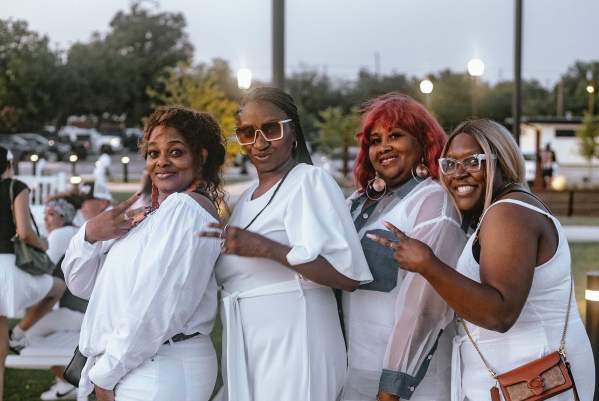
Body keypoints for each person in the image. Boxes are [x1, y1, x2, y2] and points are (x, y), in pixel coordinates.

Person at [368, 119, 595, 401]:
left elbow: (498, 313)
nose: (458, 174)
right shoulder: (504, 210)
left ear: (503, 161)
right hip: (524, 378)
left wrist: (427, 264)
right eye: (449, 164)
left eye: (473, 162)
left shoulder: (508, 214)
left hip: (533, 382)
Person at [198, 87, 373, 401]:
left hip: (297, 341)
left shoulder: (309, 181)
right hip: (250, 343)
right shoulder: (244, 198)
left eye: (271, 129)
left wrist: (267, 248)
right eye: (247, 133)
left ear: (293, 132)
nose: (260, 143)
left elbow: (347, 276)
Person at [62, 106, 226, 401]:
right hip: (140, 364)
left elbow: (155, 306)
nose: (161, 162)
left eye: (175, 152)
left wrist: (106, 376)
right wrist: (90, 235)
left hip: (159, 368)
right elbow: (83, 286)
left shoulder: (185, 210)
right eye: (153, 153)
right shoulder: (152, 216)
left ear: (201, 157)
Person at [342, 93, 466, 401]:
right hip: (355, 370)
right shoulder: (359, 203)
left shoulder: (433, 202)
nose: (383, 147)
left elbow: (425, 309)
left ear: (424, 143)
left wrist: (392, 388)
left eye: (395, 136)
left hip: (411, 382)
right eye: (374, 140)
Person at [0, 146, 66, 400]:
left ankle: (14, 335)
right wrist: (44, 244)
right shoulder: (15, 186)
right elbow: (25, 232)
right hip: (7, 268)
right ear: (8, 164)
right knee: (57, 288)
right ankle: (20, 332)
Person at [30, 195, 85, 401]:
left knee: (23, 334)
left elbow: (39, 270)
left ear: (64, 217)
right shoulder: (74, 230)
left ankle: (69, 381)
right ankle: (66, 381)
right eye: (45, 214)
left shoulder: (60, 235)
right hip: (84, 309)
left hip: (76, 310)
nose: (46, 219)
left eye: (51, 214)